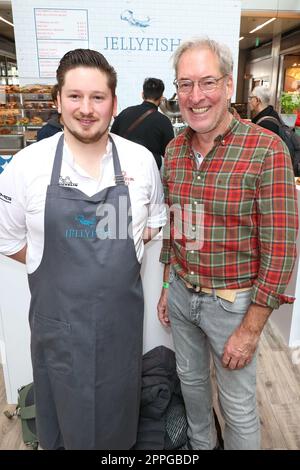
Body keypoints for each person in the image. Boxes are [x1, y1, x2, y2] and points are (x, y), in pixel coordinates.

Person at [0, 49, 166, 450]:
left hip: (119, 330)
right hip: (57, 330)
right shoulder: (26, 166)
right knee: (63, 421)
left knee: (116, 419)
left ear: (113, 103)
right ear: (58, 101)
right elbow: (9, 240)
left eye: (97, 97)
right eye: (75, 96)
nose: (86, 109)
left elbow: (154, 223)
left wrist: (115, 251)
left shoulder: (141, 162)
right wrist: (50, 260)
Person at [157, 37, 298, 450]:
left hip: (233, 305)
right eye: (185, 84)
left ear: (228, 85)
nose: (195, 97)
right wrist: (168, 286)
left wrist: (252, 329)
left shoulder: (266, 149)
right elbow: (176, 227)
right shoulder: (174, 149)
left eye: (207, 83)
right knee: (193, 386)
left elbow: (281, 249)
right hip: (182, 293)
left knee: (237, 405)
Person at [111, 77, 174, 169]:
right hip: (148, 172)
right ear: (161, 98)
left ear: (142, 95)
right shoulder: (163, 121)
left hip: (121, 169)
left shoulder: (125, 113)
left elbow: (111, 141)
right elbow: (169, 155)